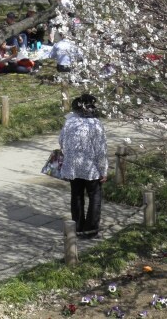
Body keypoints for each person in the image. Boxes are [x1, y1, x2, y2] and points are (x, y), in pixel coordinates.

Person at [59, 93, 108, 239]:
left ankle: (78, 227)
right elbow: (100, 150)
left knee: (77, 196)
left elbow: (61, 141)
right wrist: (103, 170)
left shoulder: (70, 121)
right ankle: (90, 230)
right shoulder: (96, 124)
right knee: (95, 196)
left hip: (72, 166)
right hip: (90, 167)